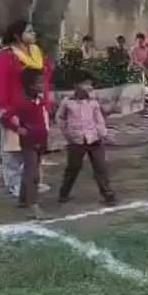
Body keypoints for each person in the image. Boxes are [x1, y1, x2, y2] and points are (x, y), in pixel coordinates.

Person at [0, 19, 53, 199]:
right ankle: (14, 183)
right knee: (13, 148)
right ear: (17, 35)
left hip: (36, 105)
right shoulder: (5, 55)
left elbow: (45, 79)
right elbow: (0, 82)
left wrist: (46, 102)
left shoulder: (37, 52)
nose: (33, 34)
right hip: (15, 106)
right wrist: (4, 106)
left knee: (37, 144)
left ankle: (33, 180)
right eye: (29, 31)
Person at [56, 70, 116, 206]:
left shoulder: (93, 102)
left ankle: (107, 194)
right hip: (76, 140)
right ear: (76, 85)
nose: (89, 87)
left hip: (94, 139)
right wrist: (67, 134)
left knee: (100, 167)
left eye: (90, 84)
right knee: (73, 167)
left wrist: (103, 134)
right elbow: (60, 118)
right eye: (85, 84)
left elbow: (99, 119)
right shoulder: (67, 102)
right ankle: (64, 193)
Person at [8, 68, 49, 216]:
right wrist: (18, 129)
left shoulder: (39, 99)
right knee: (33, 174)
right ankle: (33, 205)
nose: (43, 84)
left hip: (40, 139)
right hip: (29, 141)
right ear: (31, 85)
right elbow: (6, 117)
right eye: (40, 82)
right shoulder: (21, 102)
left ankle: (23, 199)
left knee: (30, 171)